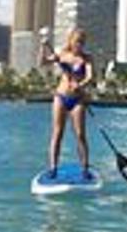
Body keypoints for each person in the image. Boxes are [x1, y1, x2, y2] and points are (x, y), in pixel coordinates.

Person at [40, 27, 95, 180]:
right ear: (71, 41)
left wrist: (81, 84)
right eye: (77, 41)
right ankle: (53, 168)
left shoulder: (87, 58)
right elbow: (43, 63)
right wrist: (43, 46)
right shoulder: (62, 55)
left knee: (80, 135)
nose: (80, 45)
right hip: (60, 97)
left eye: (82, 42)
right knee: (57, 133)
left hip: (77, 100)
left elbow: (90, 76)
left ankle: (85, 168)